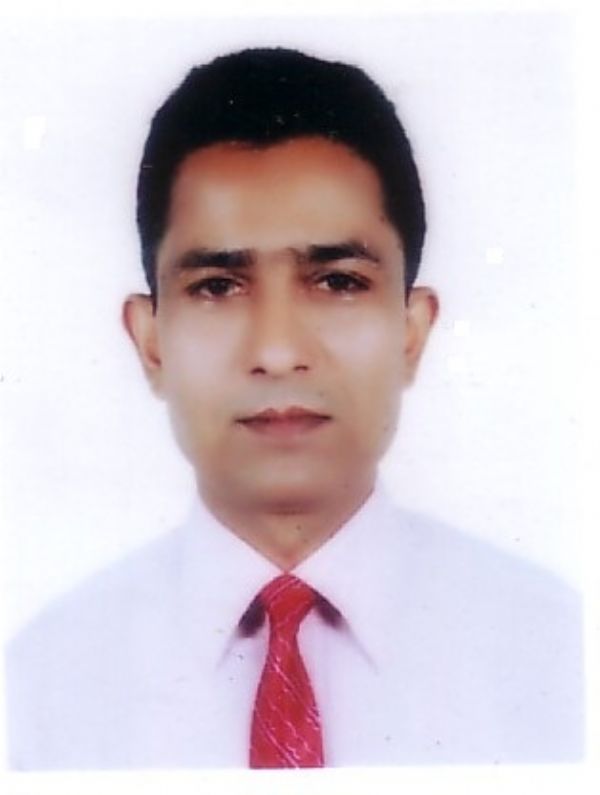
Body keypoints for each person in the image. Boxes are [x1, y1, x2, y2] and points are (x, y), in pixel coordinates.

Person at [5, 47, 582, 769]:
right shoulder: (36, 689)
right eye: (217, 286)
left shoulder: (561, 658)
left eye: (338, 281)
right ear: (150, 340)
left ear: (412, 331)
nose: (277, 351)